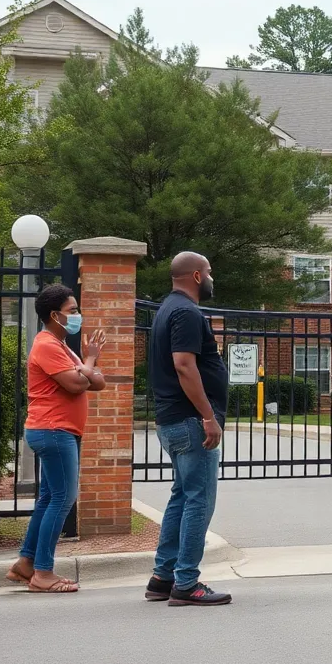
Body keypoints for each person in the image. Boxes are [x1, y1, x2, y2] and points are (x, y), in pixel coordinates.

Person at [145, 252, 231, 607]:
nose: (212, 278)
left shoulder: (167, 309)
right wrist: (208, 416)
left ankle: (162, 578)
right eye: (209, 272)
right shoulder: (186, 312)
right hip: (190, 421)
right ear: (197, 276)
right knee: (199, 500)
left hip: (173, 420)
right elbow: (183, 365)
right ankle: (186, 583)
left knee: (182, 497)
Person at [7, 284, 106, 592]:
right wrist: (89, 362)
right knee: (63, 498)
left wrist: (86, 367)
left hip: (58, 430)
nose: (78, 315)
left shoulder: (62, 346)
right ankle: (43, 573)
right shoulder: (47, 345)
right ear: (54, 315)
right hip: (53, 430)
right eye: (72, 310)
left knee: (50, 498)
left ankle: (26, 564)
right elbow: (76, 384)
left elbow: (98, 382)